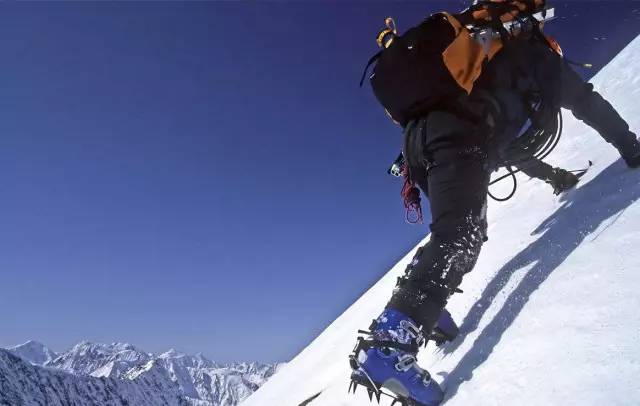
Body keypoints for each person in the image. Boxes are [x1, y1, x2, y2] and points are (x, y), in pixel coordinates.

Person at [349, 2, 640, 405]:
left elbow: (509, 151)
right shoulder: (534, 58)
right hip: (453, 135)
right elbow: (587, 103)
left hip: (418, 145)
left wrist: (554, 177)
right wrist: (631, 146)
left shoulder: (485, 73)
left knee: (457, 232)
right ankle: (389, 345)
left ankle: (430, 311)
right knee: (459, 235)